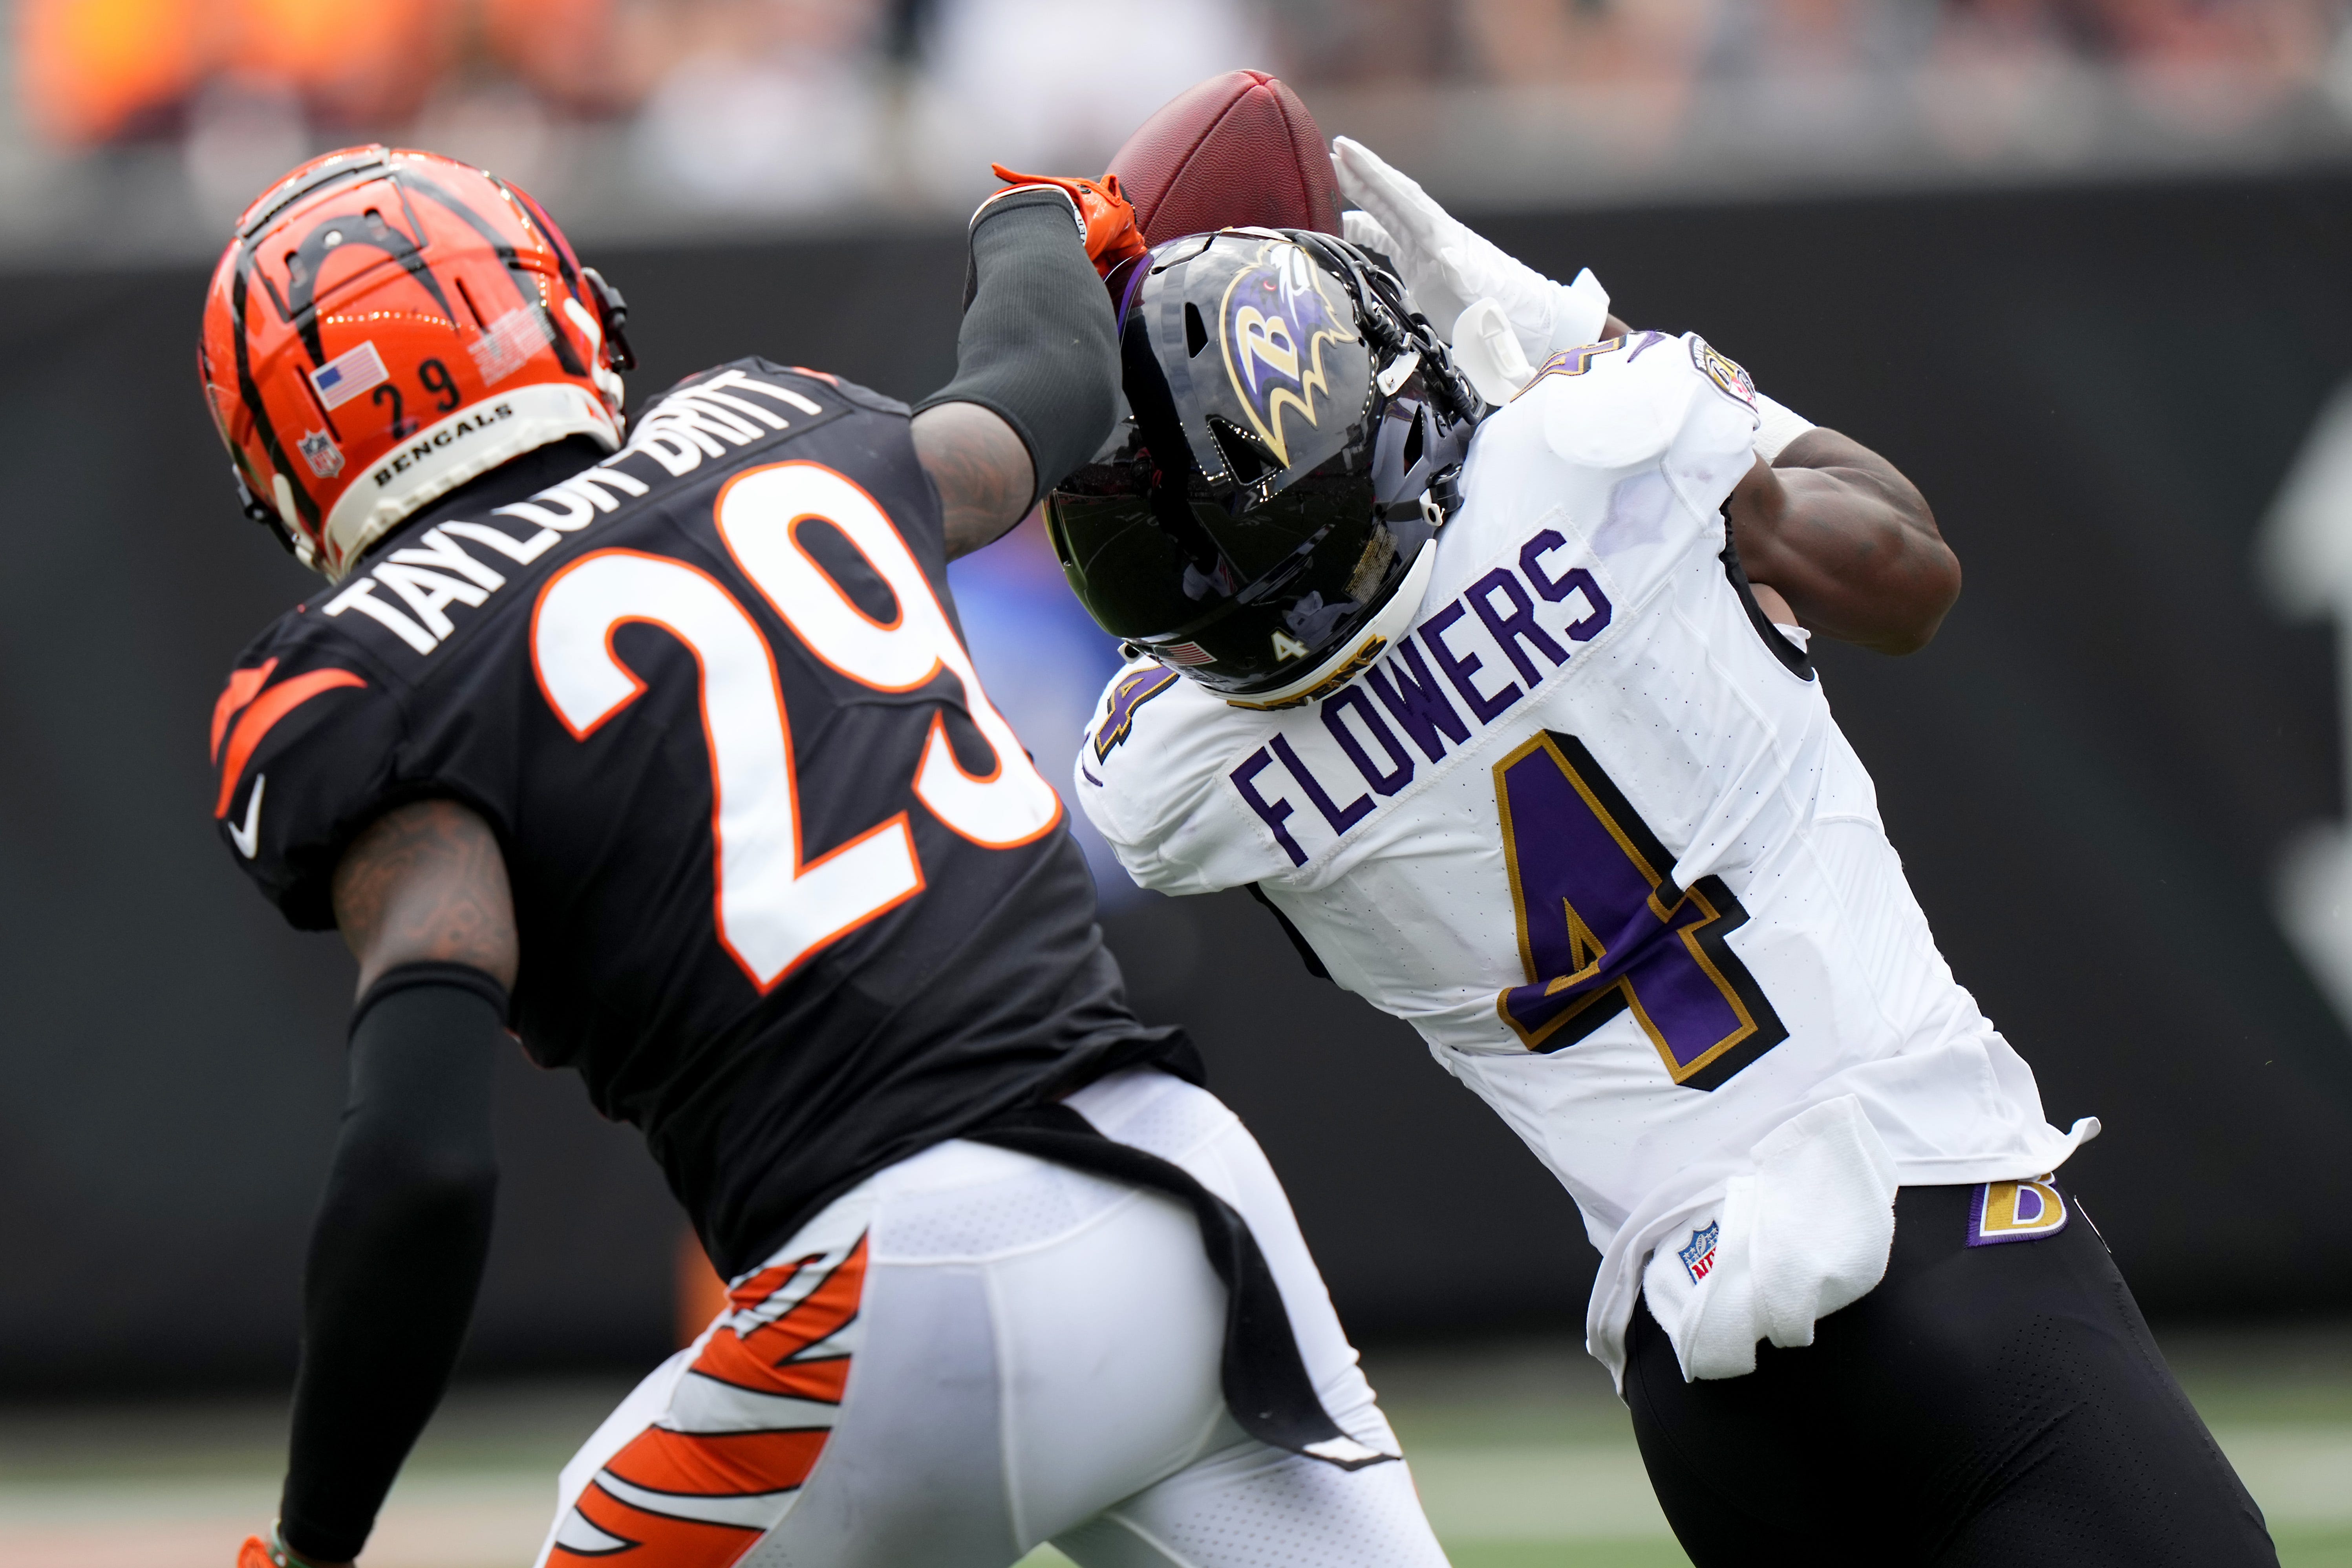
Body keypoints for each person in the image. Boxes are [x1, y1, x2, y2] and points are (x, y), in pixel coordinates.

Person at [202, 146, 1453, 1568]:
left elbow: (419, 1163)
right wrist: (1041, 214)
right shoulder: (780, 430)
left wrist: (315, 1543)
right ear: (557, 307)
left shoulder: (365, 678)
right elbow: (1049, 380)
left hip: (889, 1293)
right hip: (1186, 1199)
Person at [1050, 138, 2279, 1564]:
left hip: (1702, 1385)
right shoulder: (1592, 450)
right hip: (1946, 1235)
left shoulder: (1175, 779)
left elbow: (1213, 618)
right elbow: (1907, 576)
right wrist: (1591, 341)